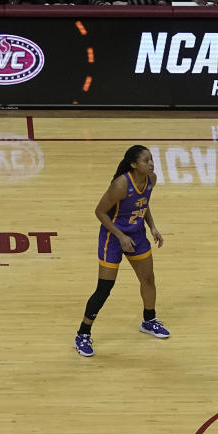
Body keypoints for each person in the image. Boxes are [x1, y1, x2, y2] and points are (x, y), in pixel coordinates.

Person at [74, 145, 169, 357]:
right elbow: (99, 212)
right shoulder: (121, 184)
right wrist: (120, 236)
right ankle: (82, 334)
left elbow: (143, 205)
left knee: (149, 279)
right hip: (113, 238)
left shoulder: (151, 179)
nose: (151, 163)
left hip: (136, 235)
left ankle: (149, 320)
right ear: (134, 164)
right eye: (146, 160)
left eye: (151, 159)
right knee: (104, 288)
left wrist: (152, 226)